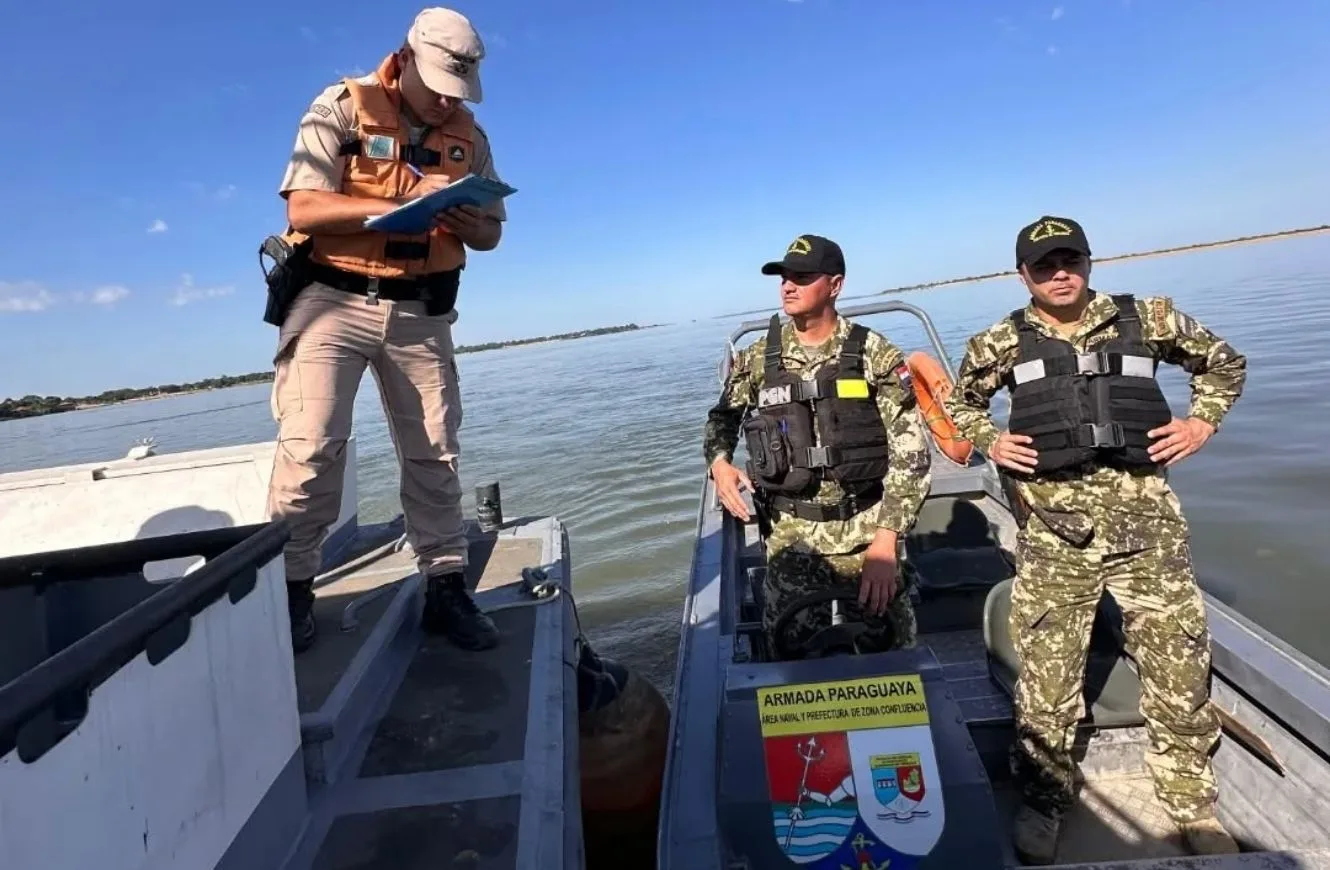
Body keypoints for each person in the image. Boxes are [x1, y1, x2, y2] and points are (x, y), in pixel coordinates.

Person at [943, 215, 1247, 863]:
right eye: (1044, 265)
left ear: (1087, 261)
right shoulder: (999, 340)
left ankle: (1190, 799)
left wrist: (1202, 425)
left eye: (1070, 260)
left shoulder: (1149, 319)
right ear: (1021, 273)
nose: (1060, 274)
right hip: (1056, 530)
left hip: (1148, 524)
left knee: (1176, 657)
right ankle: (1045, 799)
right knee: (1048, 672)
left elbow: (1223, 365)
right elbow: (959, 402)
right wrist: (988, 438)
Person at [266, 7, 507, 654]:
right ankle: (291, 591)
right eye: (438, 86)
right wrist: (399, 202)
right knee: (312, 447)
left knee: (435, 450)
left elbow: (491, 233)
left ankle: (446, 587)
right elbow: (305, 206)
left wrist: (458, 215)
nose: (447, 101)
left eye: (458, 90)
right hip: (330, 300)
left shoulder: (470, 138)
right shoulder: (340, 106)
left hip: (420, 310)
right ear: (404, 60)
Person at [702, 234, 933, 660]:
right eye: (784, 277)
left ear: (835, 285)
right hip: (792, 542)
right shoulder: (758, 358)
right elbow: (723, 417)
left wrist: (886, 541)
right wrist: (720, 463)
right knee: (790, 670)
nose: (788, 286)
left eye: (802, 277)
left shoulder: (874, 355)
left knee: (894, 667)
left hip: (868, 537)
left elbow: (912, 453)